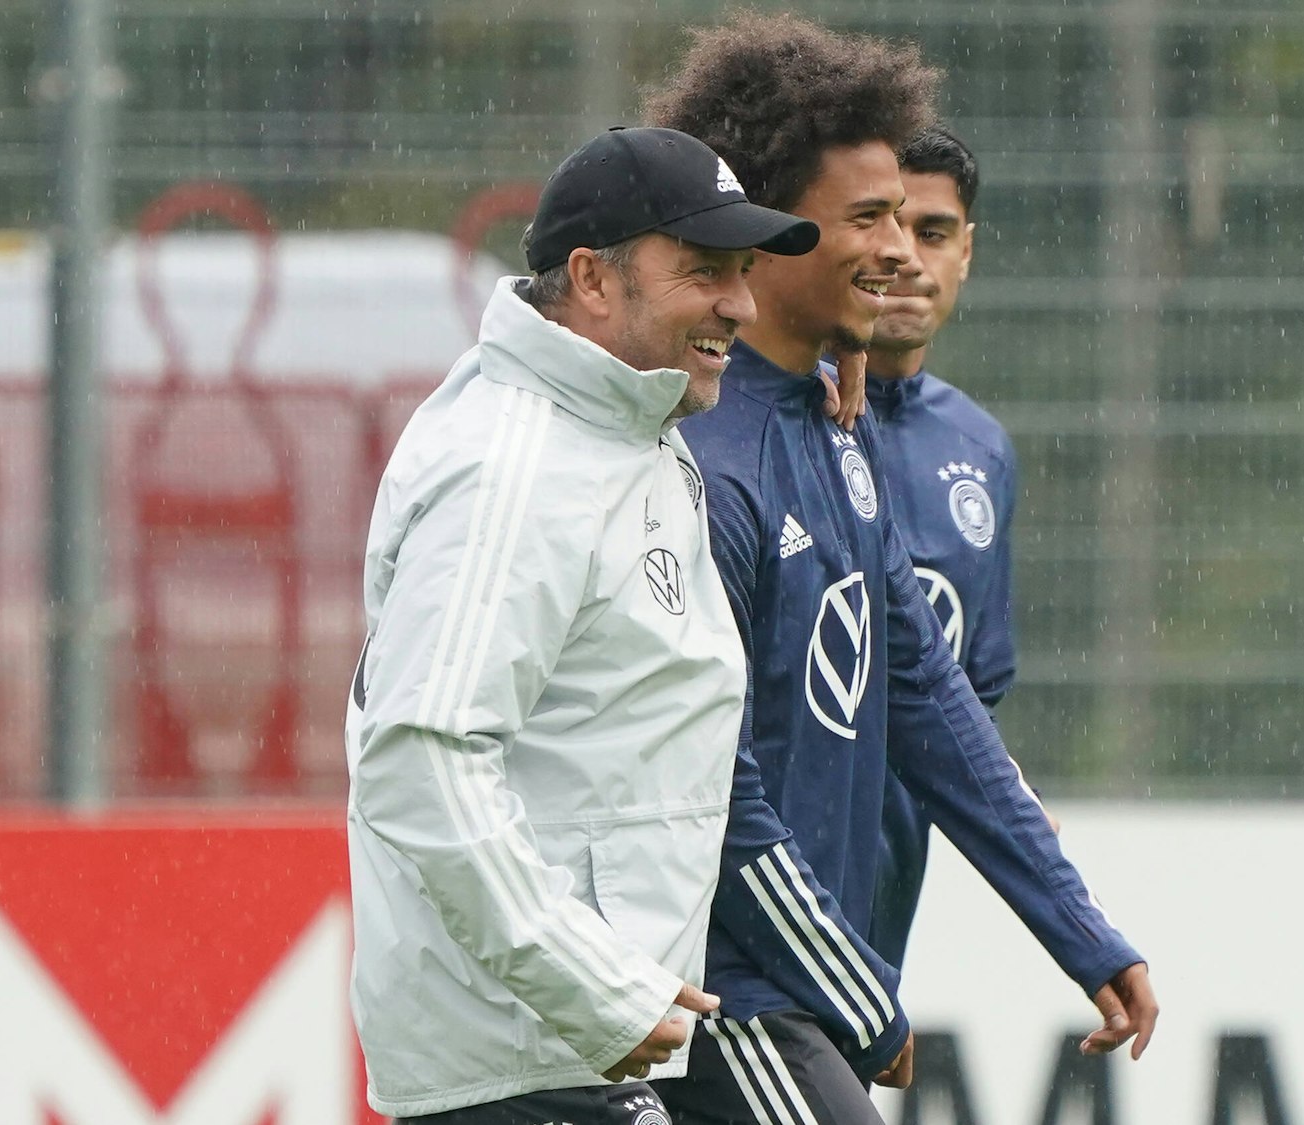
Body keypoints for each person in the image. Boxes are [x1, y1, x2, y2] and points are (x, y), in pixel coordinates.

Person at [645, 16, 1159, 1124]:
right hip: (716, 995)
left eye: (916, 221)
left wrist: (1080, 931)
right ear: (772, 231)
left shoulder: (840, 431)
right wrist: (856, 995)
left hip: (796, 987)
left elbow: (931, 694)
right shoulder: (700, 464)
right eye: (868, 218)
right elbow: (713, 791)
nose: (898, 251)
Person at [344, 125, 820, 1124]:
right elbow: (419, 758)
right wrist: (595, 987)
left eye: (743, 272)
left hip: (572, 1050)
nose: (740, 303)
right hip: (526, 1059)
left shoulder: (623, 426)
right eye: (704, 270)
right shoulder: (515, 471)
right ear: (592, 279)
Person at [861, 124, 1049, 970]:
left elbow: (966, 707)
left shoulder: (981, 449)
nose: (905, 256)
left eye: (932, 232)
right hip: (746, 920)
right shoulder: (757, 421)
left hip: (881, 919)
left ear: (966, 251)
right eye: (881, 225)